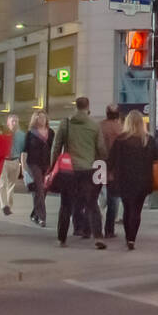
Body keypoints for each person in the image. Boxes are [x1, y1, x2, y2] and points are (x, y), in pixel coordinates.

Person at [52, 97, 107, 248]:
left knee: (66, 205)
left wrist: (52, 167)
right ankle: (98, 236)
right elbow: (101, 149)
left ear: (75, 107)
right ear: (87, 107)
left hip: (68, 171)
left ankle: (61, 239)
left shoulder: (66, 124)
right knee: (92, 204)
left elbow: (56, 147)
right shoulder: (94, 126)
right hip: (87, 170)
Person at [108, 110, 157, 250]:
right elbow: (156, 159)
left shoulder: (121, 139)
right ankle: (132, 238)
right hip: (143, 180)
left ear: (127, 123)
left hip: (124, 179)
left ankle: (128, 236)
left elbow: (111, 160)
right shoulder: (148, 140)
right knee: (137, 210)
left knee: (127, 208)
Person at [98, 105, 123, 239]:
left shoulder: (100, 126)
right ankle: (109, 230)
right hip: (114, 168)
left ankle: (92, 228)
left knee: (94, 198)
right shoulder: (120, 129)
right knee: (113, 199)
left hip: (99, 165)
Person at [24, 110, 51, 226]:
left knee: (43, 190)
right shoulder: (30, 133)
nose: (42, 120)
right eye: (39, 118)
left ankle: (34, 214)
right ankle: (41, 217)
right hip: (33, 163)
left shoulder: (52, 133)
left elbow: (55, 148)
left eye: (44, 117)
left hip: (47, 164)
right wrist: (23, 167)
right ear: (35, 119)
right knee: (39, 188)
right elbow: (24, 151)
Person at [0, 114, 25, 216]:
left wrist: (23, 166)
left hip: (15, 161)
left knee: (11, 185)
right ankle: (4, 206)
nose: (14, 123)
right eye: (12, 121)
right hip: (4, 160)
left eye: (16, 121)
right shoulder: (3, 134)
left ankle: (9, 205)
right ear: (8, 123)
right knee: (2, 183)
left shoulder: (22, 136)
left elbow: (24, 151)